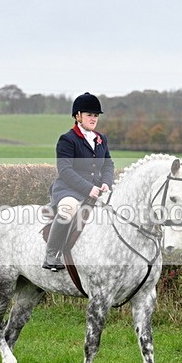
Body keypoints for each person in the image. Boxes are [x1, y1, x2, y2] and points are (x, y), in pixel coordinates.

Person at [42, 92, 115, 271]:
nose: (94, 118)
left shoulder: (101, 139)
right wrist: (88, 188)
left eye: (96, 115)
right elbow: (65, 170)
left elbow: (108, 164)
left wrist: (106, 182)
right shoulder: (67, 139)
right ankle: (51, 254)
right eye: (89, 115)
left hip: (97, 189)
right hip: (69, 190)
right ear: (78, 116)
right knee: (68, 211)